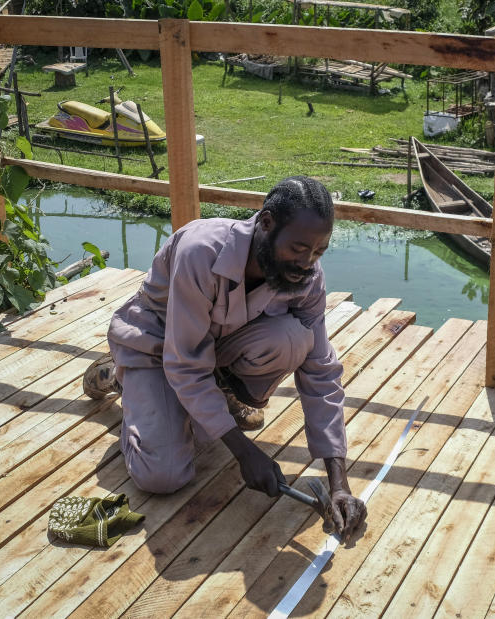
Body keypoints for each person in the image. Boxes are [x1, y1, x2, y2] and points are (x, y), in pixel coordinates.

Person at [82, 176, 366, 540]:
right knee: (164, 475)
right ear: (266, 224)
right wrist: (244, 452)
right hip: (156, 347)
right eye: (297, 248)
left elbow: (321, 371)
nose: (306, 263)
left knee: (296, 339)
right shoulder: (200, 251)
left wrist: (339, 482)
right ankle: (121, 375)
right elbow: (184, 363)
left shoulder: (308, 276)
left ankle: (210, 398)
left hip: (213, 351)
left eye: (318, 252)